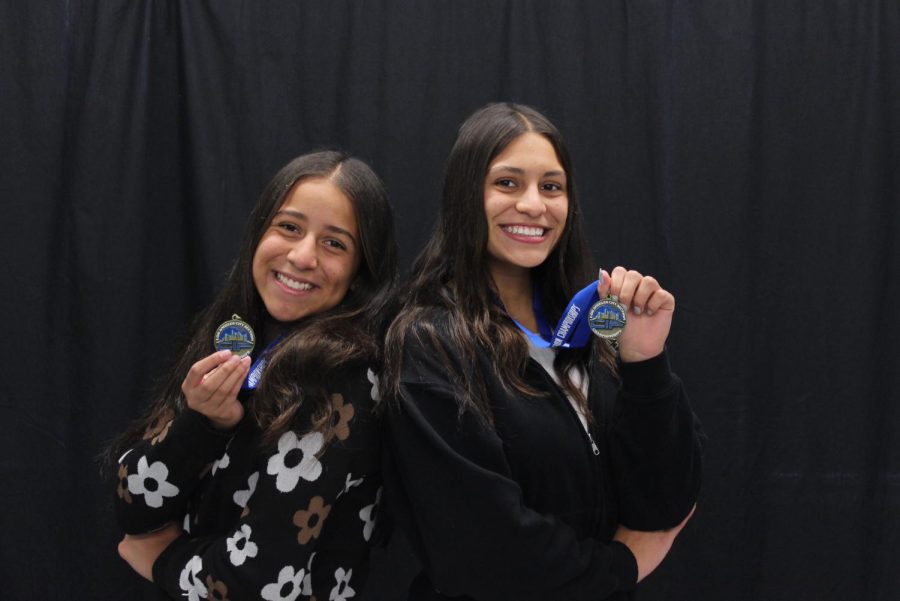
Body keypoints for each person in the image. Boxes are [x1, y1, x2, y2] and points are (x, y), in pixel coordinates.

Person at [381, 102, 704, 601]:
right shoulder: (428, 344)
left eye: (551, 187)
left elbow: (668, 502)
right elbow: (486, 554)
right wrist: (623, 566)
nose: (534, 205)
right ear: (466, 195)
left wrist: (646, 362)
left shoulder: (592, 332)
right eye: (507, 183)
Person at [107, 150, 397, 601]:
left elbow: (259, 581)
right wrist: (201, 423)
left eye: (334, 243)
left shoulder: (342, 378)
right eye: (289, 227)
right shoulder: (235, 336)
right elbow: (134, 503)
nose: (302, 256)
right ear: (260, 229)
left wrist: (163, 558)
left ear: (362, 272)